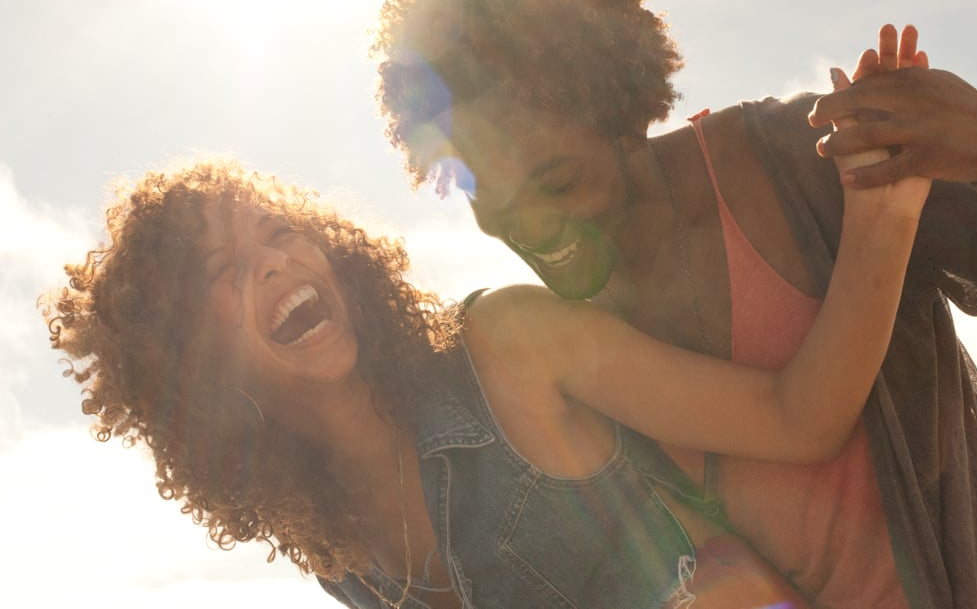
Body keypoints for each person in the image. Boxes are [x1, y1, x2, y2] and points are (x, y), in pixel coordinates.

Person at [371, 0, 977, 608]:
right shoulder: (562, 354)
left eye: (559, 183)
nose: (534, 230)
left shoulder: (806, 161)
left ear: (622, 112)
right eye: (496, 206)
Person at [42, 128, 923, 608]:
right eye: (223, 272)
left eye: (279, 232)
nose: (274, 262)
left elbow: (798, 418)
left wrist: (882, 217)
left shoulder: (510, 345)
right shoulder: (337, 551)